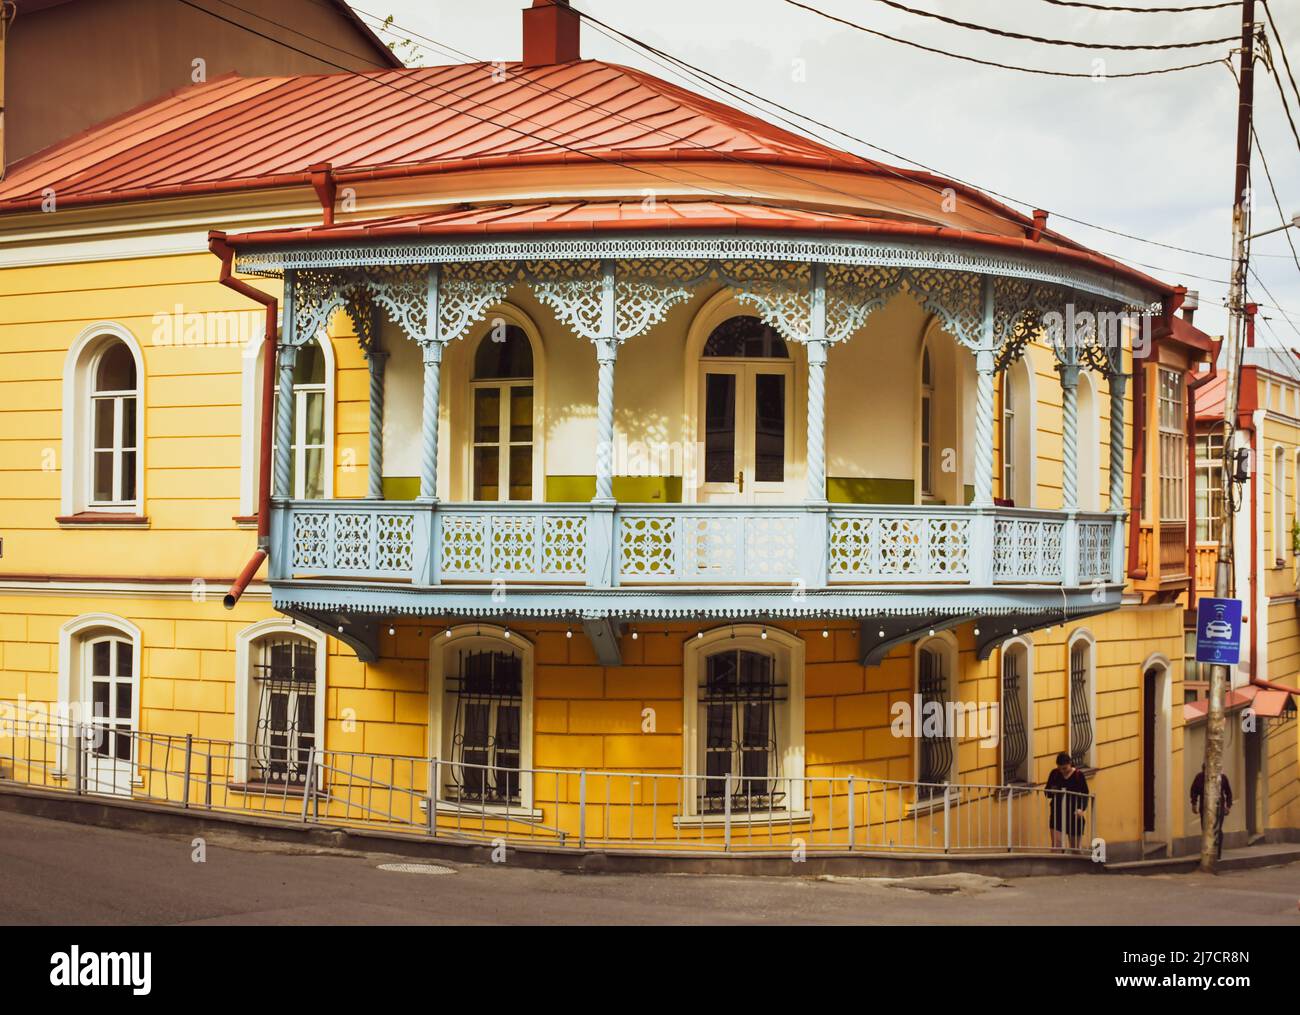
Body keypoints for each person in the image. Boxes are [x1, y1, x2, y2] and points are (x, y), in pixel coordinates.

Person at [1045, 751, 1089, 850]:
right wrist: (1052, 791)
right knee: (1056, 845)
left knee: (1075, 848)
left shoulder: (1078, 775)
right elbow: (1047, 792)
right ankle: (1056, 865)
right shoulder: (1054, 774)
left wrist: (1081, 809)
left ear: (1070, 763)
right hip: (1057, 813)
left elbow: (1085, 794)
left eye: (1064, 768)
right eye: (1059, 768)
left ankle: (1078, 865)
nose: (1062, 771)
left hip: (1074, 815)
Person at [1191, 763, 1233, 860]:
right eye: (1205, 770)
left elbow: (1228, 792)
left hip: (1219, 808)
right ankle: (1207, 852)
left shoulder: (1222, 778)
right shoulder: (1200, 777)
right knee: (1205, 829)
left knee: (1217, 829)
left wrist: (1228, 806)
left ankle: (1217, 853)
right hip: (1205, 808)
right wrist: (1194, 803)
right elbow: (1194, 791)